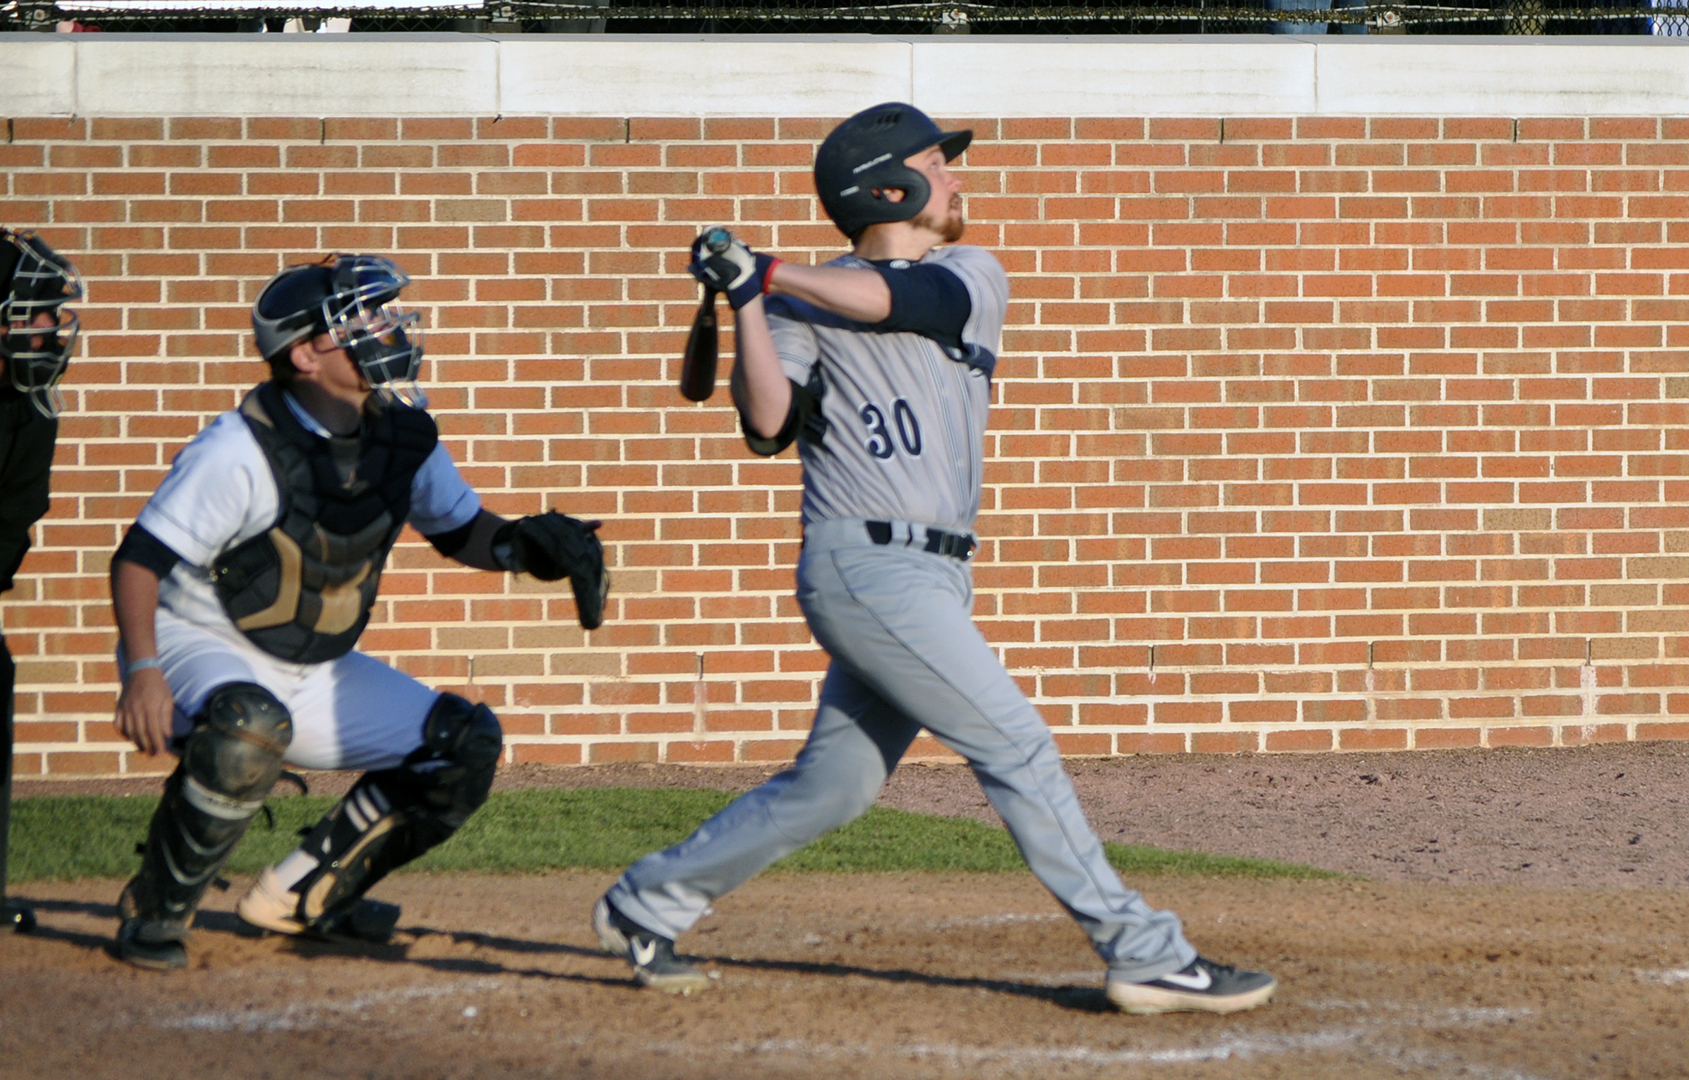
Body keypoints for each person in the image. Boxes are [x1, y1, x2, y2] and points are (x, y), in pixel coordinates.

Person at [594, 104, 1277, 1015]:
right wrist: (750, 300)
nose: (955, 179)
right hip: (863, 568)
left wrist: (768, 270)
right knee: (1017, 746)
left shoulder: (969, 271)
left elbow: (899, 300)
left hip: (937, 574)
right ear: (890, 185)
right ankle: (1143, 951)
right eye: (936, 165)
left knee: (833, 787)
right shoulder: (800, 298)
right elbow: (765, 421)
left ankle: (647, 900)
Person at [110, 254, 609, 970]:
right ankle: (155, 912)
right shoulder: (239, 448)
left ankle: (302, 896)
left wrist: (528, 547)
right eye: (362, 318)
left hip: (311, 661)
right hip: (198, 639)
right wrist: (144, 670)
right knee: (248, 728)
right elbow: (137, 560)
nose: (388, 327)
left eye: (385, 312)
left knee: (463, 746)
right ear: (307, 353)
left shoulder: (401, 429)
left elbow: (459, 530)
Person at [0, 228, 83, 935]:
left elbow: (12, 523)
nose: (51, 330)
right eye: (32, 312)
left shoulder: (29, 410)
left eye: (54, 313)